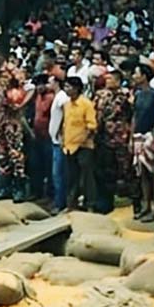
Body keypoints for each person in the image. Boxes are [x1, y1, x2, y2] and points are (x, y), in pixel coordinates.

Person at [93, 72, 132, 212]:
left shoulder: (126, 95)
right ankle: (103, 201)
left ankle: (124, 197)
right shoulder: (100, 95)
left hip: (119, 137)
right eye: (107, 78)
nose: (108, 81)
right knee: (101, 171)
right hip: (101, 137)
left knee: (121, 170)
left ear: (119, 80)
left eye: (111, 79)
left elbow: (130, 115)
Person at [131, 64, 154, 221]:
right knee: (142, 173)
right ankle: (146, 206)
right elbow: (135, 116)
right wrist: (132, 137)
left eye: (136, 73)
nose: (134, 76)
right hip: (138, 136)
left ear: (144, 76)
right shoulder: (138, 94)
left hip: (151, 136)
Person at [62, 77, 98, 212]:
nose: (66, 90)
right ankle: (71, 204)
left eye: (68, 87)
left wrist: (83, 139)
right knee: (72, 176)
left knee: (87, 176)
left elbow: (92, 125)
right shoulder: (66, 104)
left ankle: (90, 204)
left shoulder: (86, 104)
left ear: (76, 88)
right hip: (69, 146)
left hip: (84, 146)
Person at [27, 74, 55, 203]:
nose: (39, 88)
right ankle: (36, 192)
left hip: (48, 136)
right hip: (37, 135)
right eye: (37, 85)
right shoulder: (37, 97)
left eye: (40, 85)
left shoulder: (51, 97)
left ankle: (49, 195)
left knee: (49, 168)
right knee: (35, 166)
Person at [47, 74, 70, 214]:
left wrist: (61, 132)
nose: (48, 84)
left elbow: (66, 114)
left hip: (60, 141)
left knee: (59, 174)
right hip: (54, 140)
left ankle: (60, 203)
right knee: (57, 174)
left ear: (56, 82)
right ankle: (58, 201)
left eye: (50, 82)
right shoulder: (57, 96)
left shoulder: (62, 96)